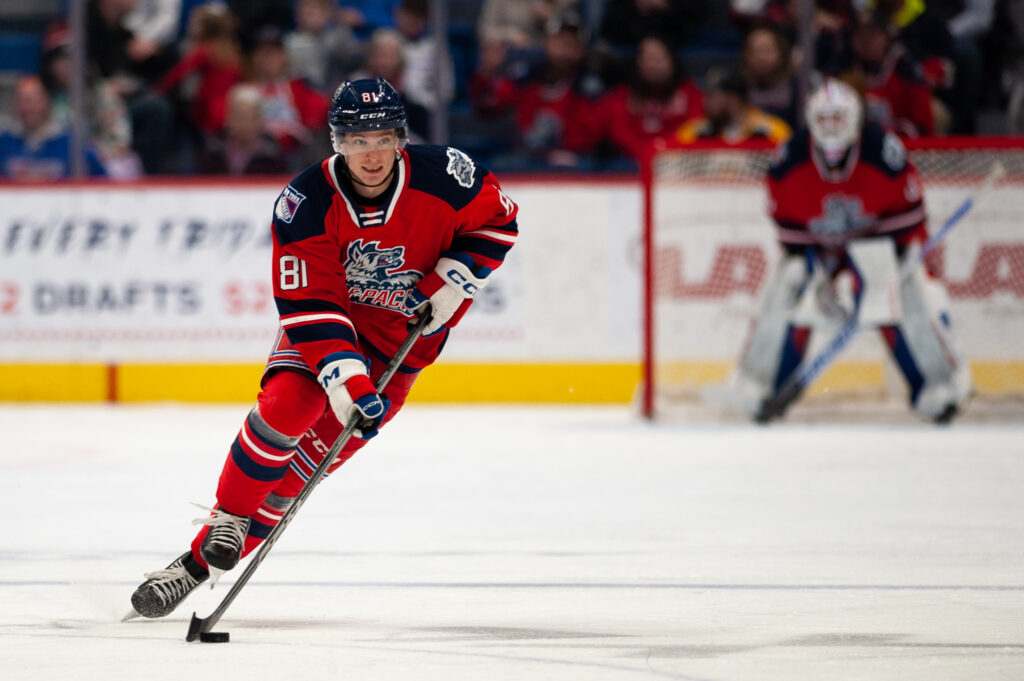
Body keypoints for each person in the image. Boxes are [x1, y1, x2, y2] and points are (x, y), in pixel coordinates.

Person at [128, 77, 519, 618]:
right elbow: (311, 304)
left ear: (400, 138)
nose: (372, 154)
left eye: (382, 138)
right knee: (292, 405)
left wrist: (457, 277)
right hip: (329, 335)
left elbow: (500, 223)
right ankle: (228, 516)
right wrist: (346, 378)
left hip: (400, 352)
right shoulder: (305, 202)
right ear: (336, 142)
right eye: (357, 141)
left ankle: (194, 568)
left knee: (293, 480)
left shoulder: (449, 177)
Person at [723, 79, 970, 423]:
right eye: (823, 119)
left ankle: (937, 385)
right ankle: (761, 384)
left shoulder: (884, 153)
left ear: (855, 119)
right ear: (810, 121)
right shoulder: (788, 160)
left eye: (838, 117)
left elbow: (910, 216)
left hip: (877, 241)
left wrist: (875, 274)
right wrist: (817, 274)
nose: (831, 127)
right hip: (819, 246)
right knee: (788, 283)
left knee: (906, 291)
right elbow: (790, 233)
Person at [675, 65, 790, 144]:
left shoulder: (772, 131)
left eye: (714, 96)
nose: (706, 101)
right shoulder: (694, 132)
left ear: (734, 99)